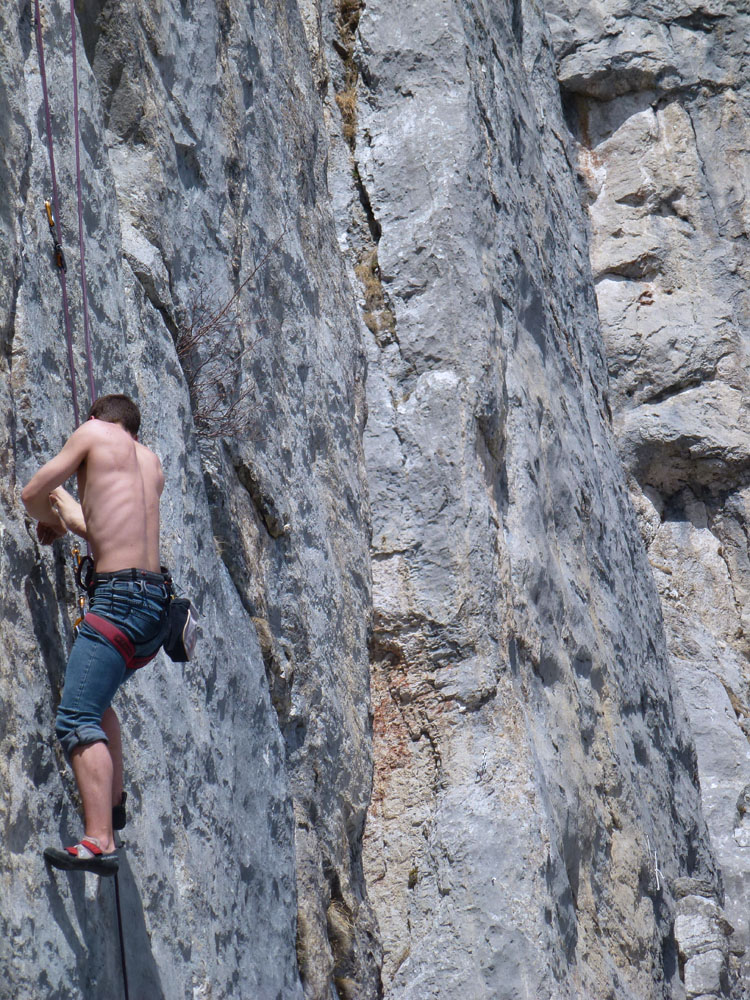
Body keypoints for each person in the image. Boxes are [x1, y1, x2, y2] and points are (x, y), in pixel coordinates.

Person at [22, 393, 169, 876]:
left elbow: (30, 495)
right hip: (153, 607)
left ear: (94, 419)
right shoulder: (151, 462)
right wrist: (67, 522)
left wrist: (53, 510)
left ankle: (99, 840)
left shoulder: (91, 433)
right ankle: (117, 801)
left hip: (117, 603)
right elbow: (114, 531)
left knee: (77, 716)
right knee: (98, 700)